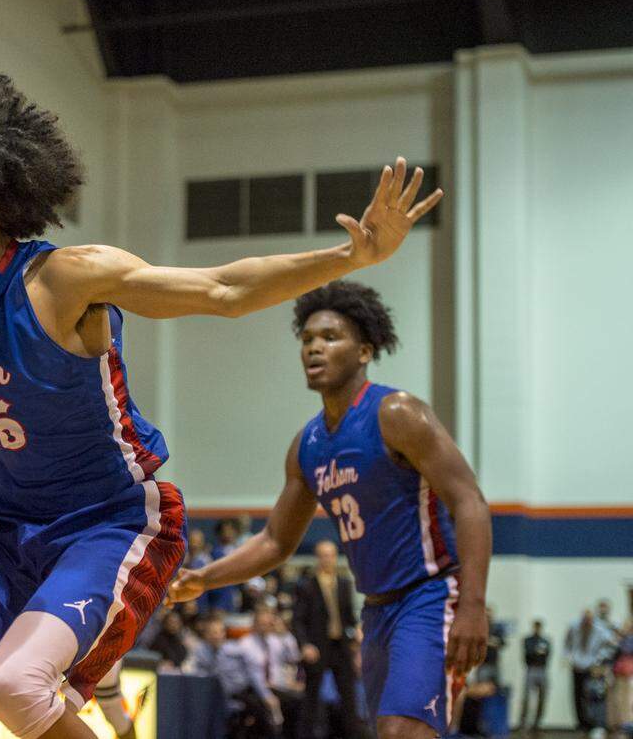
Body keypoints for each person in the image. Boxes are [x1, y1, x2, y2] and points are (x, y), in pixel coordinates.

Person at [0, 61, 439, 739]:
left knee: (15, 684)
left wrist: (348, 258)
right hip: (1, 540)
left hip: (108, 525)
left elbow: (223, 289)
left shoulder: (63, 279)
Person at [172, 281, 491, 739]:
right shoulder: (308, 445)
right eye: (306, 340)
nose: (314, 348)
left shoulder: (397, 413)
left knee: (406, 730)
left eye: (329, 337)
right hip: (377, 611)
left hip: (432, 594)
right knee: (389, 731)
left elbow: (470, 501)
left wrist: (473, 606)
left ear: (364, 352)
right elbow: (276, 541)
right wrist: (206, 578)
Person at [291, 539, 364, 738]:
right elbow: (297, 619)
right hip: (317, 645)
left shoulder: (344, 583)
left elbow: (349, 616)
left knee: (349, 695)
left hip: (340, 645)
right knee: (312, 697)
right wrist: (304, 645)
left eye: (331, 555)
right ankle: (306, 734)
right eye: (323, 555)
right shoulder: (307, 585)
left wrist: (356, 630)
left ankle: (352, 734)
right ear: (317, 557)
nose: (327, 559)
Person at [240, 606, 303, 738]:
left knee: (299, 701)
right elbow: (253, 674)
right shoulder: (246, 644)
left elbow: (293, 658)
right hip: (254, 688)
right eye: (262, 624)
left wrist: (285, 634)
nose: (266, 627)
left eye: (268, 624)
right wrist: (266, 695)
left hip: (275, 686)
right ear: (255, 624)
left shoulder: (275, 641)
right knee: (263, 709)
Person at [518, 618, 550, 732]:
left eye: (539, 627)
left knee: (543, 697)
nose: (537, 629)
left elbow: (547, 654)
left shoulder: (545, 640)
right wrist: (537, 652)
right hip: (531, 669)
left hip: (542, 670)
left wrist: (537, 652)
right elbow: (528, 653)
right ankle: (523, 722)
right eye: (535, 626)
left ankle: (537, 723)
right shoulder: (527, 640)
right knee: (526, 697)